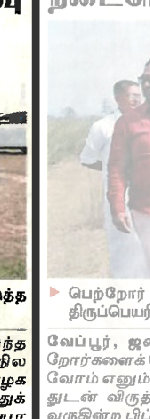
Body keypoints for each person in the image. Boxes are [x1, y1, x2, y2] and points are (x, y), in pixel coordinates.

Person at [81, 79, 148, 278]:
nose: (136, 100)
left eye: (138, 96)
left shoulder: (142, 122)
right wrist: (115, 172)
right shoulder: (103, 126)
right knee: (123, 247)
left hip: (141, 197)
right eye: (131, 96)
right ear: (117, 98)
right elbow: (88, 159)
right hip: (117, 197)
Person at [108, 63, 150, 270]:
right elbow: (117, 169)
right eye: (145, 79)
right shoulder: (127, 122)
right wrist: (117, 207)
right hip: (144, 211)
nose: (147, 84)